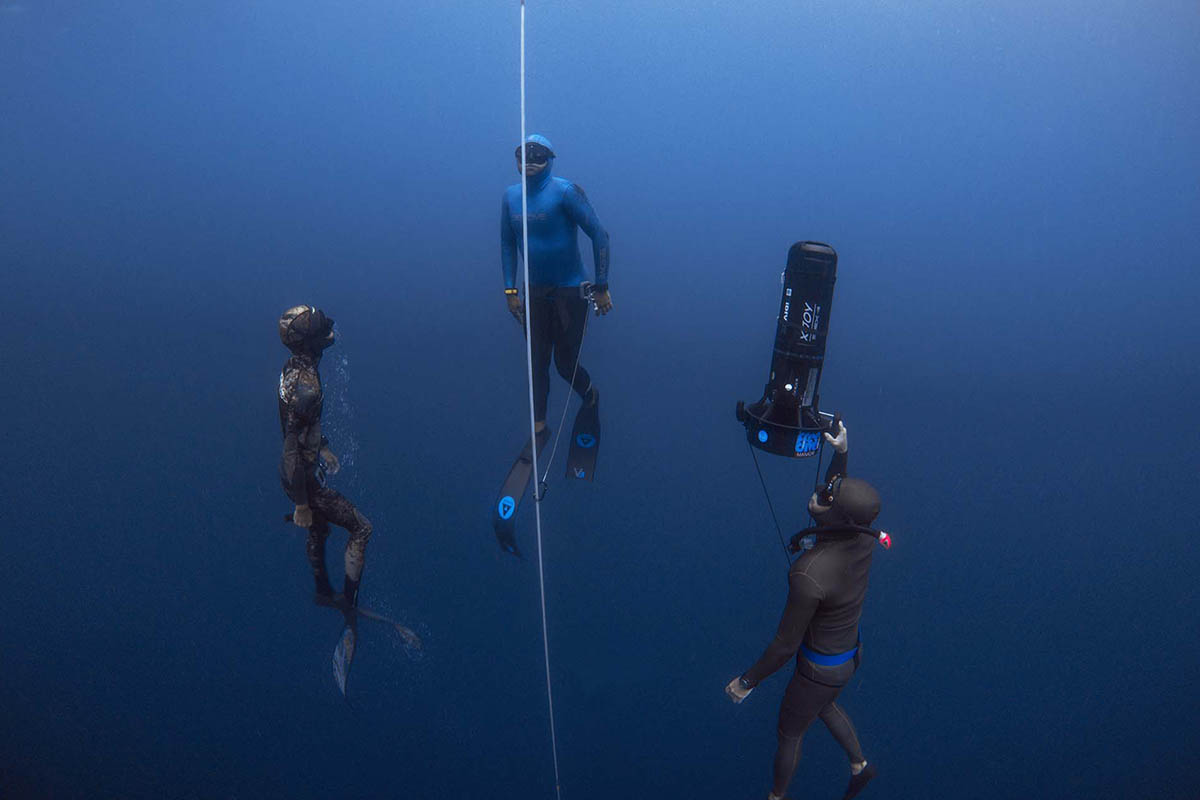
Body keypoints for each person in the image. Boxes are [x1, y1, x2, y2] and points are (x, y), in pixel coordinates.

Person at [726, 421, 881, 800]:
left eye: (827, 497)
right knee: (824, 705)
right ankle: (860, 766)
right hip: (850, 656)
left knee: (790, 732)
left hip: (817, 669)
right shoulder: (863, 538)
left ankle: (776, 797)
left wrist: (746, 682)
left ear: (837, 518)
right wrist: (840, 453)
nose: (819, 493)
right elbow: (841, 504)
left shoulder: (809, 574)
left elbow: (784, 645)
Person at [500, 134, 611, 431]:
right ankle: (538, 427)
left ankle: (589, 394)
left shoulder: (565, 192)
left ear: (550, 159)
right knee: (536, 363)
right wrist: (511, 291)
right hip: (534, 292)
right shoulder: (511, 197)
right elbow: (507, 244)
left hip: (570, 292)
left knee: (564, 364)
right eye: (524, 155)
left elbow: (599, 235)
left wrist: (601, 287)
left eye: (538, 155)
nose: (531, 161)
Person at [277, 305, 372, 621]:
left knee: (319, 529)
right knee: (361, 528)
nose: (329, 331)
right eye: (320, 330)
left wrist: (324, 447)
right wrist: (302, 503)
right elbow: (292, 448)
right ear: (308, 342)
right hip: (303, 479)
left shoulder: (294, 368)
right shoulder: (309, 388)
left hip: (299, 474)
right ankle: (350, 607)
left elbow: (299, 428)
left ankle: (321, 591)